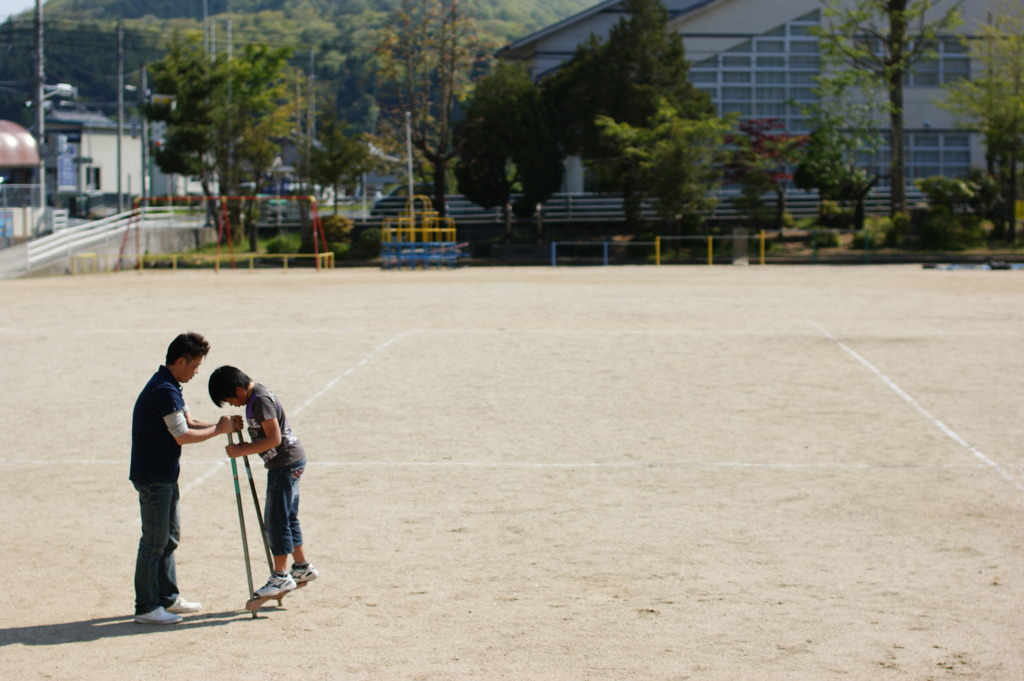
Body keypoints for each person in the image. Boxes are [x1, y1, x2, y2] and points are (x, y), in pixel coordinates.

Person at [130, 332, 233, 625]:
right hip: (154, 477)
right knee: (154, 541)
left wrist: (219, 424)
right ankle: (147, 607)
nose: (197, 371)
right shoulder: (163, 389)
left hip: (163, 475)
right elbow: (182, 435)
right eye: (196, 365)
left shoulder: (169, 385)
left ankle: (167, 598)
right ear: (180, 361)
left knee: (169, 538)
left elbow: (188, 420)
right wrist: (219, 431)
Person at [208, 365, 319, 599]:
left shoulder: (259, 401)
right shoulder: (254, 400)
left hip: (285, 464)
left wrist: (242, 449)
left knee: (276, 520)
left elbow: (274, 438)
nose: (233, 404)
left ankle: (280, 576)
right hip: (290, 461)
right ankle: (300, 567)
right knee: (287, 516)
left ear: (239, 389)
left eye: (230, 399)